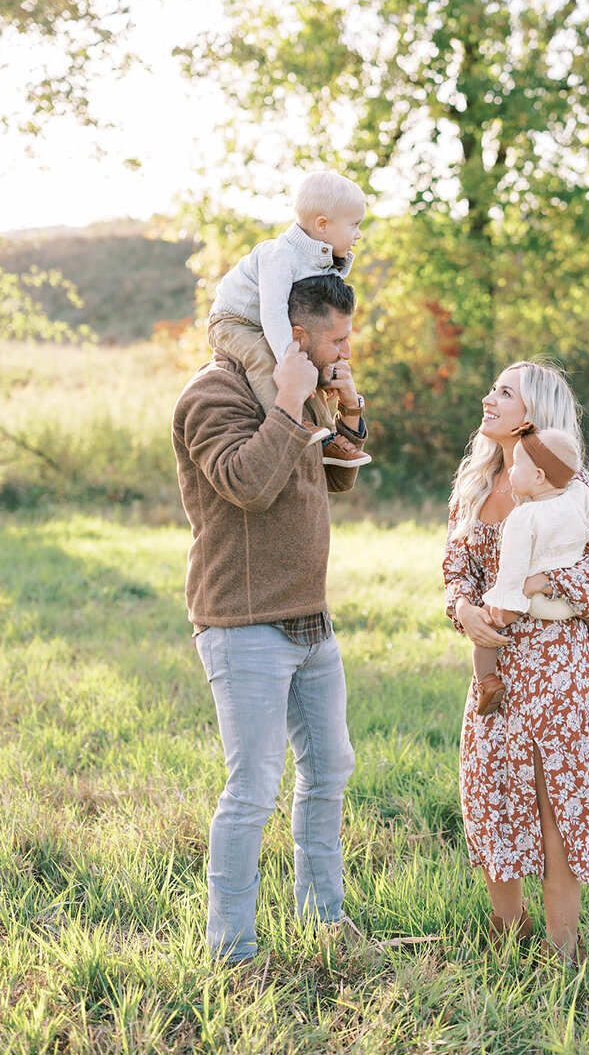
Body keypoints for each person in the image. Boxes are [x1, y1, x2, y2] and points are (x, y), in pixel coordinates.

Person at [172, 274, 367, 964]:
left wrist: (341, 413)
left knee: (329, 770)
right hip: (245, 620)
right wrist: (288, 400)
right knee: (253, 787)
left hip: (311, 616)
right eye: (337, 338)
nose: (347, 347)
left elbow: (333, 478)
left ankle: (325, 919)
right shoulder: (212, 394)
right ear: (295, 336)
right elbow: (250, 486)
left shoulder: (303, 388)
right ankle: (232, 952)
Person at [443, 359, 589, 965]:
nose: (489, 398)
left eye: (504, 392)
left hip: (558, 667)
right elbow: (457, 571)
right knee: (494, 797)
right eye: (492, 388)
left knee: (555, 805)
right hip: (498, 667)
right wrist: (463, 609)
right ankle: (508, 932)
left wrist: (540, 585)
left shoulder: (568, 487)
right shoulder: (477, 486)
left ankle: (564, 949)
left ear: (532, 414)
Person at [207, 169, 371, 468]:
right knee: (264, 358)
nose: (358, 234)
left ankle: (328, 437)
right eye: (354, 225)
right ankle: (288, 416)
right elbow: (272, 313)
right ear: (322, 225)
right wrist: (289, 361)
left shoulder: (319, 259)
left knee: (311, 364)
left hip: (273, 323)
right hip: (234, 320)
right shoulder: (279, 255)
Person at [472, 423, 589, 717]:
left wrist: (505, 602)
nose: (511, 470)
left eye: (517, 465)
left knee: (486, 626)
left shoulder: (523, 517)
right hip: (570, 598)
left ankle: (487, 682)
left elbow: (512, 567)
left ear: (538, 476)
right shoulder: (579, 496)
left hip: (534, 602)